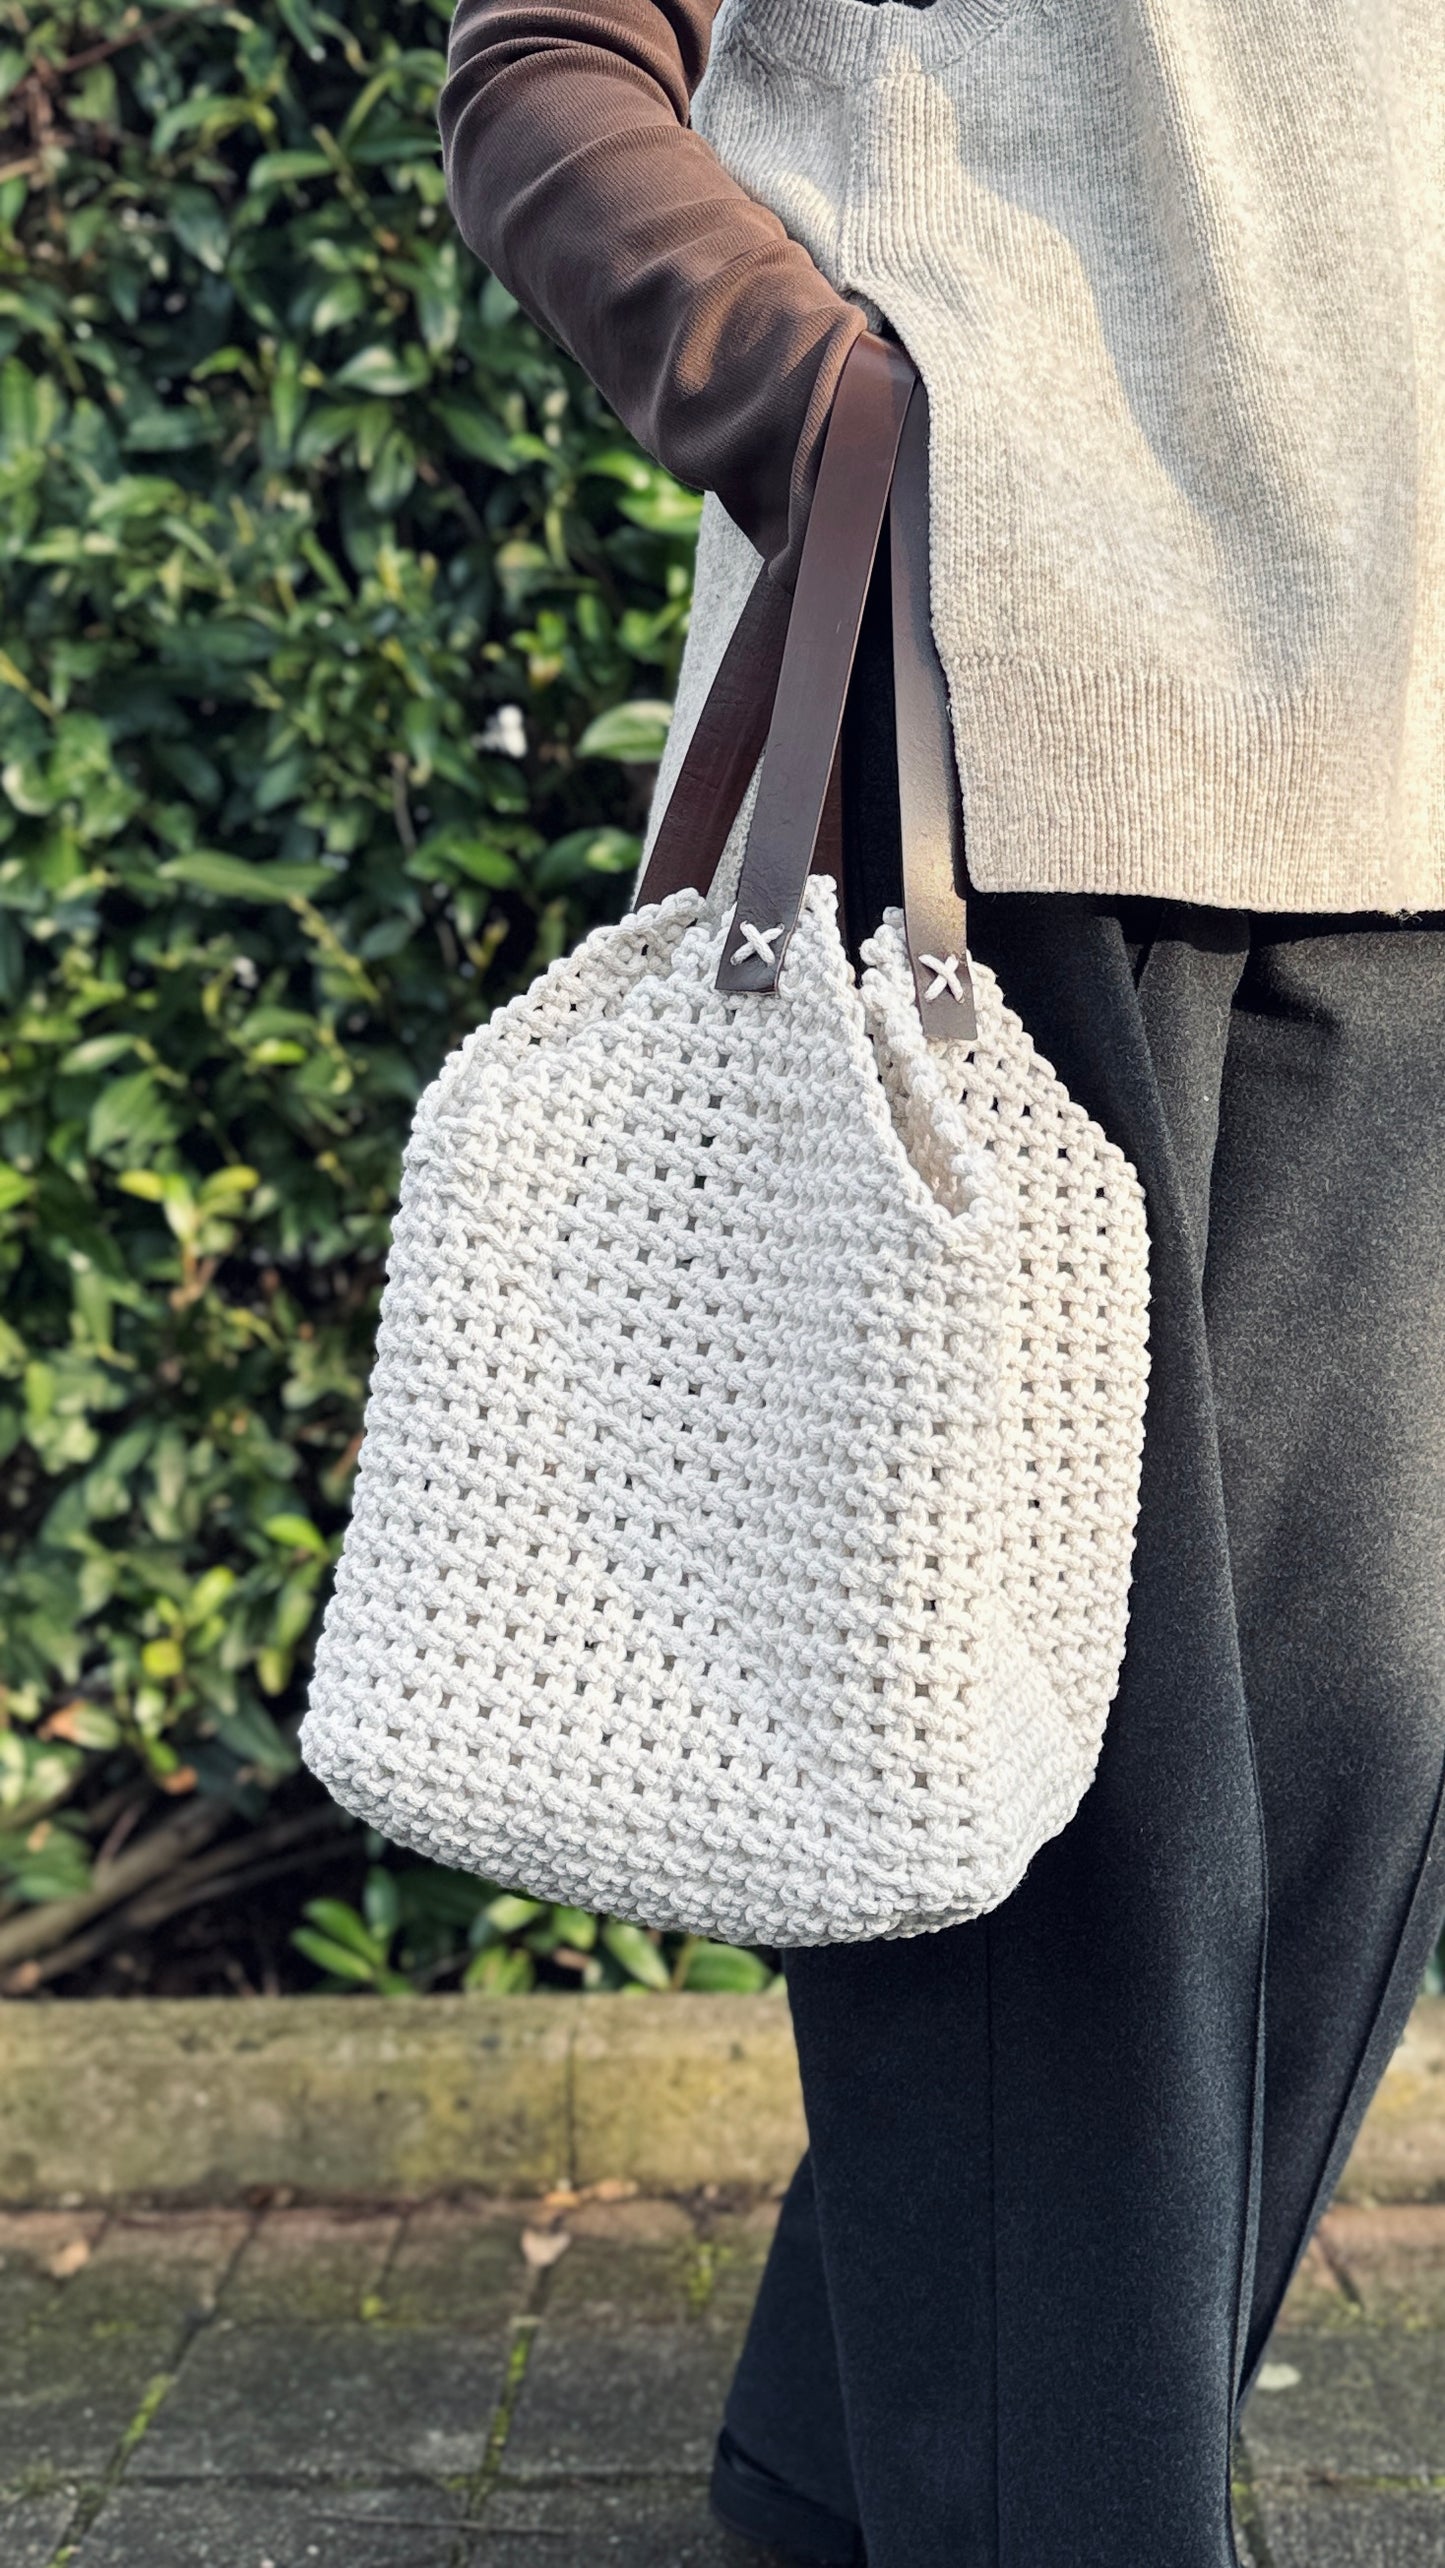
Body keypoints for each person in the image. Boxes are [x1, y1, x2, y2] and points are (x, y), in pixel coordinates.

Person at [437, 7, 1445, 2563]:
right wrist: (840, 414)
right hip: (1003, 760)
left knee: (1353, 1777)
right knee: (1077, 1840)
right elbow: (547, 69)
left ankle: (843, 2463)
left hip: (1409, 758)